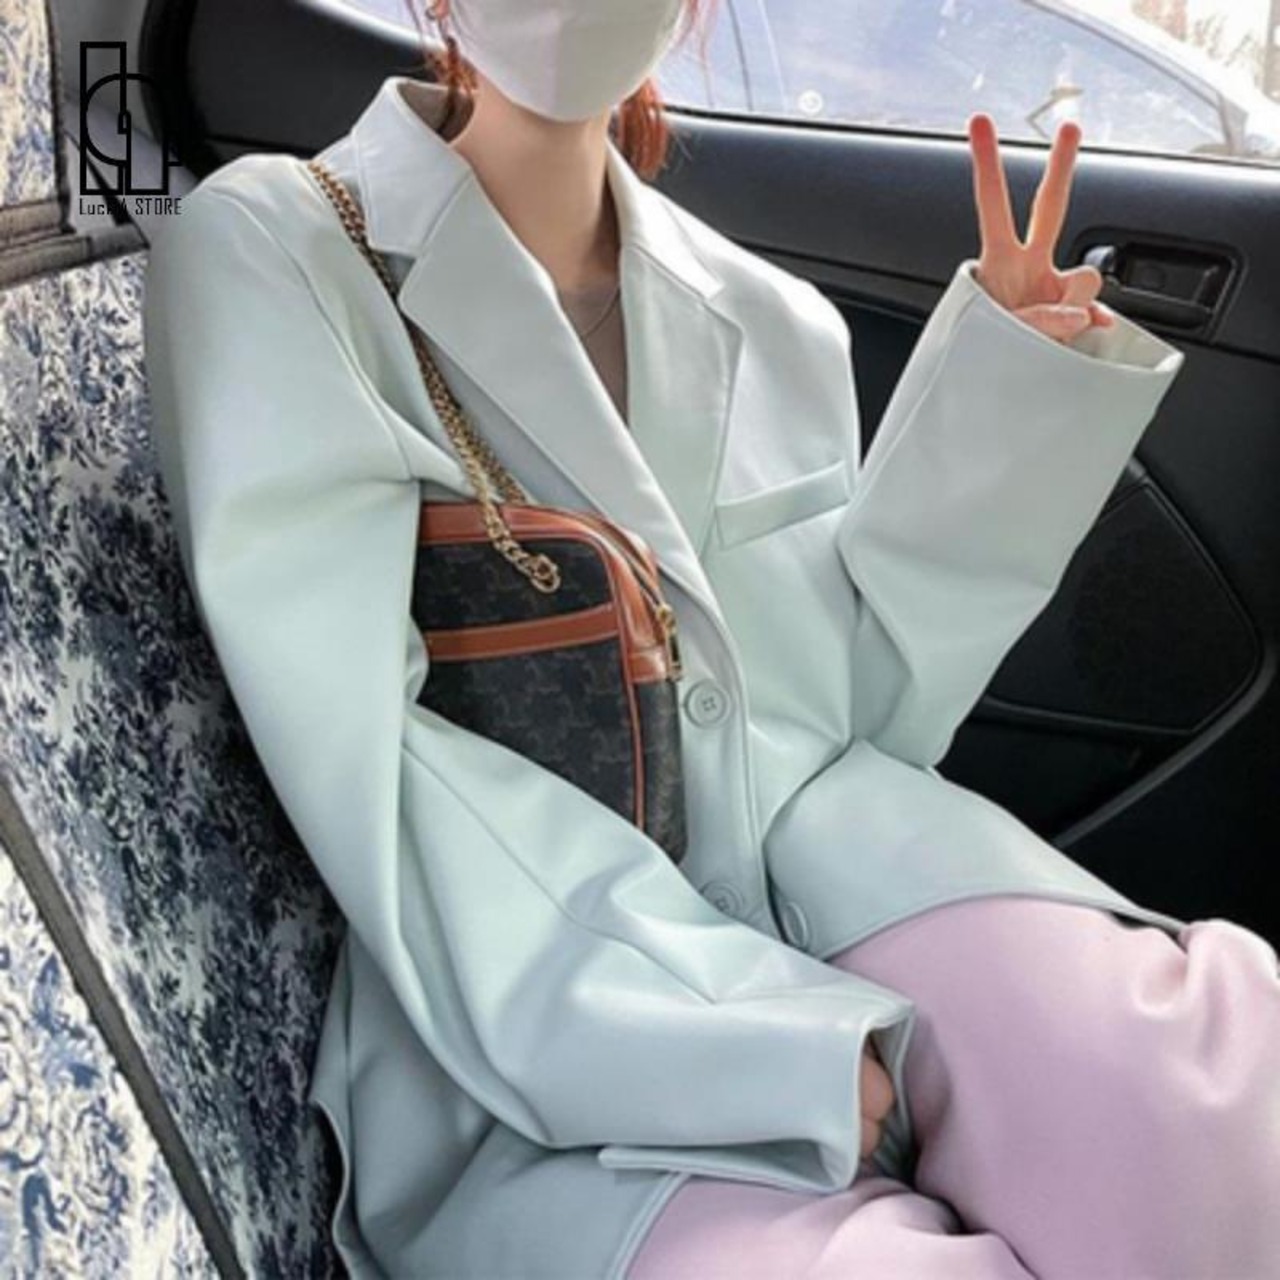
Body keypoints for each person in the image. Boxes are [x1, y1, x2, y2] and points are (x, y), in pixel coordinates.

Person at [141, 0, 1280, 1276]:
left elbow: (858, 710)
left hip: (845, 868)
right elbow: (375, 770)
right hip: (530, 1009)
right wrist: (739, 1028)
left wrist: (1007, 394)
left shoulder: (770, 314)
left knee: (1214, 1108)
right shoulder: (281, 246)